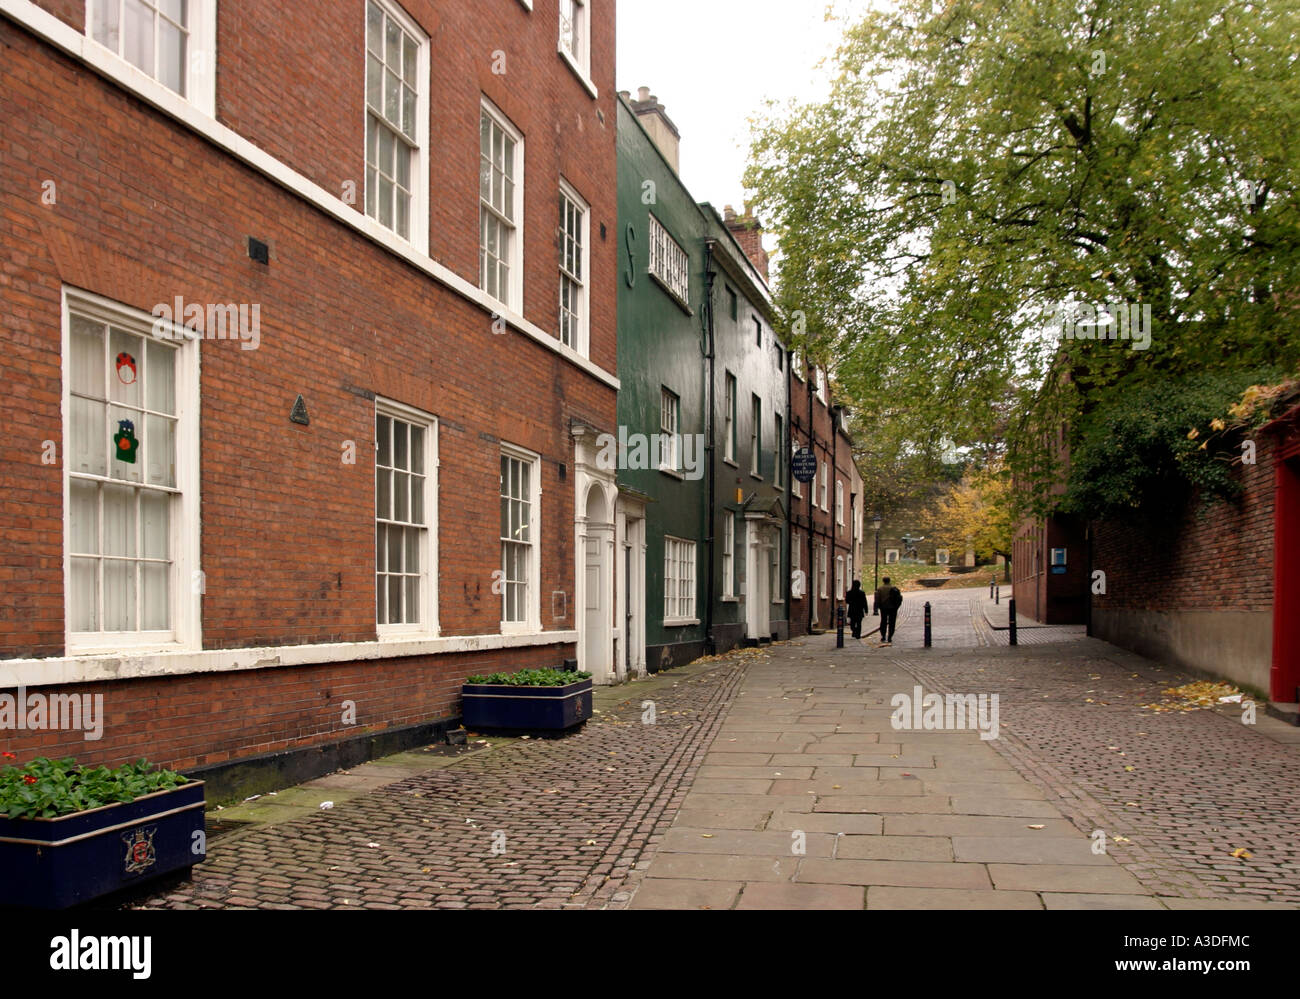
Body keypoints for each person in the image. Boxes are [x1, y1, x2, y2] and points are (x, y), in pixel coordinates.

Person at [873, 576, 903, 646]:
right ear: (889, 581)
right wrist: (897, 607)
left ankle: (883, 636)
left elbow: (877, 599)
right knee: (892, 623)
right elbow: (899, 598)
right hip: (893, 608)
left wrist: (876, 609)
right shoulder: (894, 588)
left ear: (883, 581)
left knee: (883, 621)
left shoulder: (880, 589)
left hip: (884, 608)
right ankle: (890, 636)